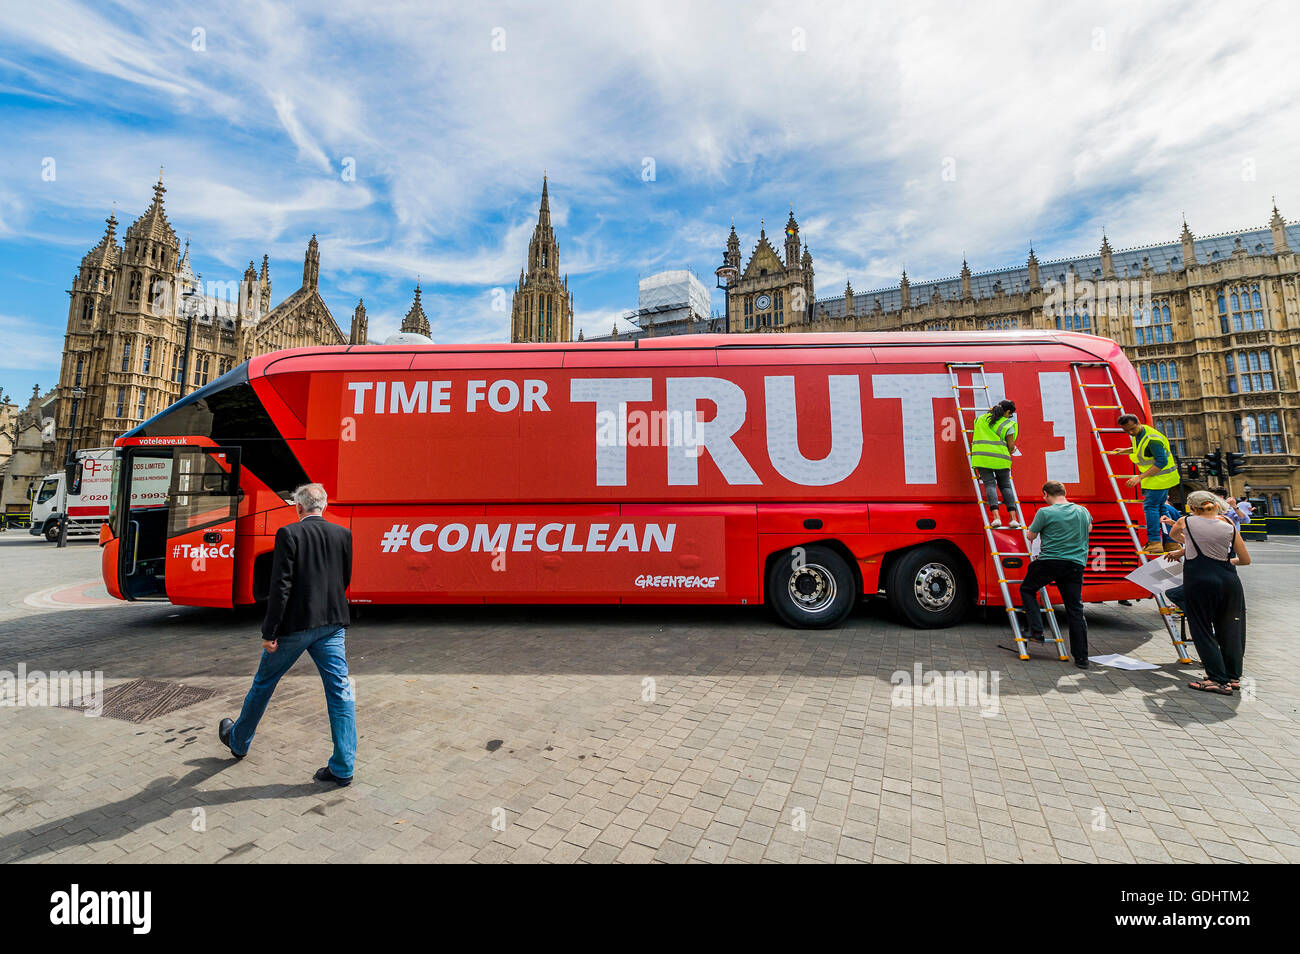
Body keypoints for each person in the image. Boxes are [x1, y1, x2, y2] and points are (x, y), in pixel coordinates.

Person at [218, 483, 357, 785]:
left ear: (298, 507)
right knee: (340, 692)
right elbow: (343, 578)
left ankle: (239, 742)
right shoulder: (343, 534)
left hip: (294, 627)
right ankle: (343, 767)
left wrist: (270, 632)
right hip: (333, 626)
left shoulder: (289, 534)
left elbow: (280, 587)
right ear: (324, 506)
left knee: (264, 683)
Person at [1162, 491, 1250, 695]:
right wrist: (1227, 562)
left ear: (1192, 508)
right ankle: (1233, 677)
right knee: (1231, 629)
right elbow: (1245, 559)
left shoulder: (1186, 522)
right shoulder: (1228, 522)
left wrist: (1185, 548)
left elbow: (1175, 536)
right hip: (1229, 580)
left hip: (1199, 580)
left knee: (1201, 628)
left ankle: (1217, 680)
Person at [1020, 480, 1093, 667]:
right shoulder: (1082, 511)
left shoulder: (1045, 512)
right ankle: (1082, 658)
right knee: (1075, 610)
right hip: (1076, 564)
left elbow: (1030, 536)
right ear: (1064, 492)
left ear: (1045, 494)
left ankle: (1036, 630)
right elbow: (1089, 529)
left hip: (1050, 562)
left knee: (1027, 589)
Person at [1118, 414, 1180, 555]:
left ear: (1138, 422)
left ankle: (1154, 542)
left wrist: (1139, 478)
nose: (1130, 433)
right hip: (1160, 479)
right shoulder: (1141, 433)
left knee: (1150, 507)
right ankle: (1171, 542)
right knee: (1161, 509)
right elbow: (1141, 450)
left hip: (1159, 479)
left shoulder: (1152, 439)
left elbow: (1161, 462)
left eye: (1132, 429)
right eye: (1126, 431)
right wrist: (1125, 451)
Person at [971, 399, 1021, 529]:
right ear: (1008, 412)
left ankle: (996, 518)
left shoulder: (980, 419)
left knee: (989, 485)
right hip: (1000, 459)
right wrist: (1014, 449)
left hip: (981, 458)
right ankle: (1013, 519)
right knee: (1005, 486)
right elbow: (1010, 447)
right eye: (1011, 414)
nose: (1011, 417)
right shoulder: (1007, 424)